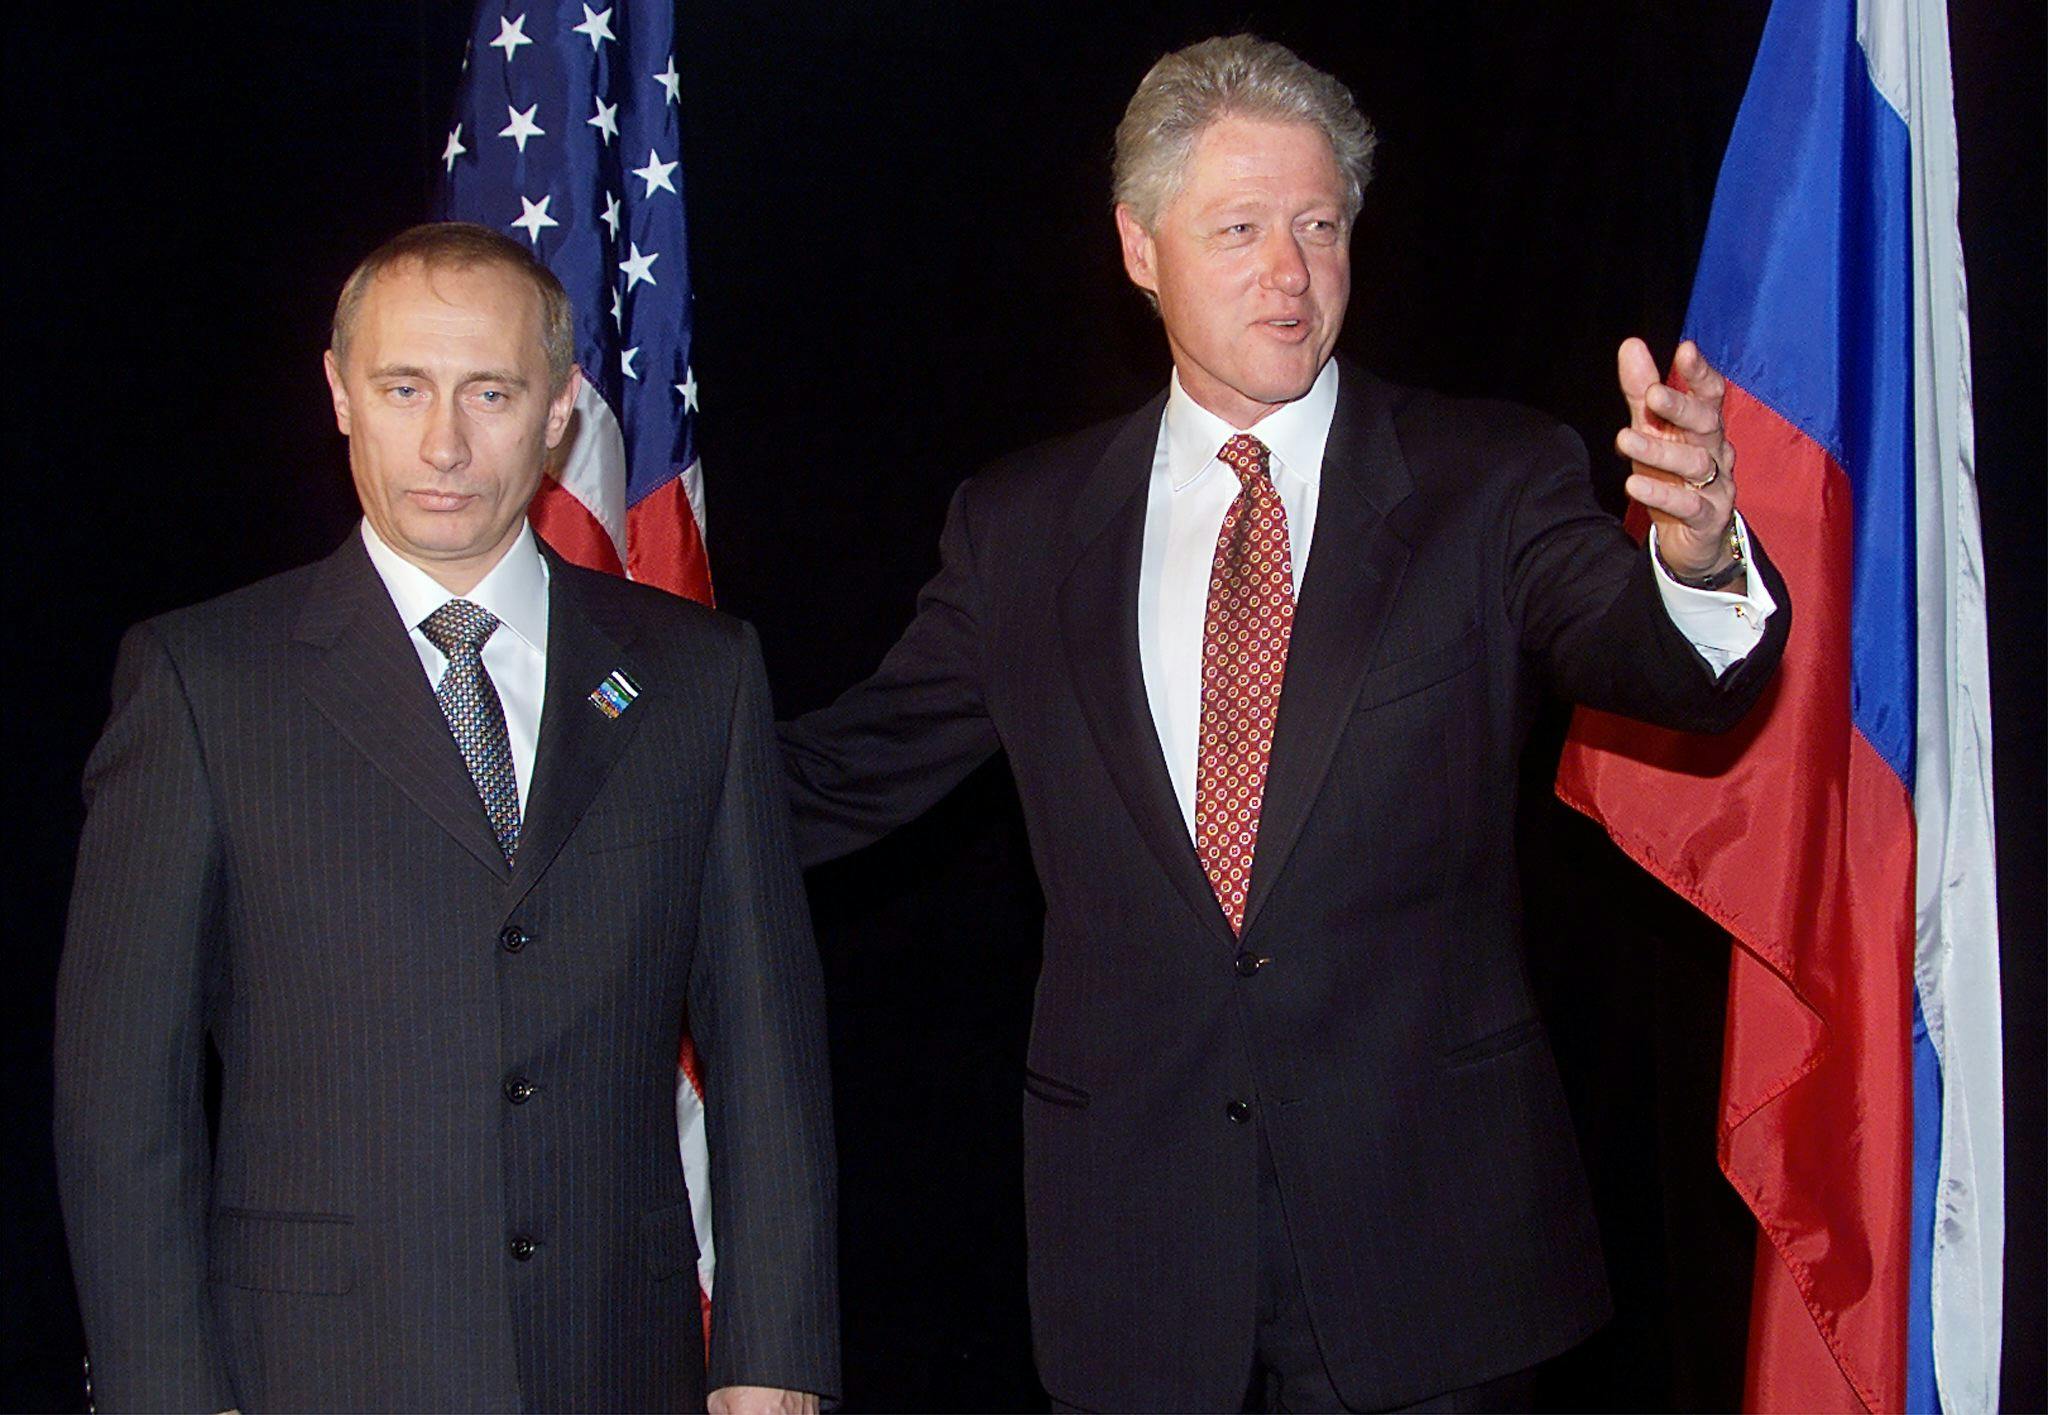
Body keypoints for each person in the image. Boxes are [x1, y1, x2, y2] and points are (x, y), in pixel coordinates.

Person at [779, 35, 1788, 1414]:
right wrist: (600, 777)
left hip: (1432, 1246)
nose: (1291, 272)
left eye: (1320, 225)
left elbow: (1662, 661)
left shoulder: (1486, 477)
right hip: (1135, 1254)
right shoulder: (1020, 526)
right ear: (1141, 247)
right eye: (1240, 227)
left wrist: (1699, 554)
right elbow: (849, 773)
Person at [54, 223, 837, 1415]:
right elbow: (121, 1091)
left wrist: (772, 1350)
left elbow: (764, 1042)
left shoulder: (696, 677)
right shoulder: (203, 681)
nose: (444, 441)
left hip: (618, 1358)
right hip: (310, 1367)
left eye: (490, 391)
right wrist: (164, 1386)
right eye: (403, 386)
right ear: (338, 394)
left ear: (560, 408)